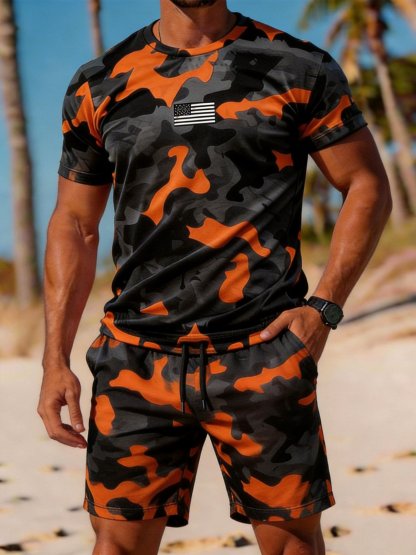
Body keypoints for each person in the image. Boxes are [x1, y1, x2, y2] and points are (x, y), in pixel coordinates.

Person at [37, 0, 392, 553]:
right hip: (136, 357)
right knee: (117, 546)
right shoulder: (100, 82)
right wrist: (54, 358)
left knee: (292, 545)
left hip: (261, 351)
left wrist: (323, 308)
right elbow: (75, 223)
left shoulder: (297, 66)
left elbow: (366, 185)